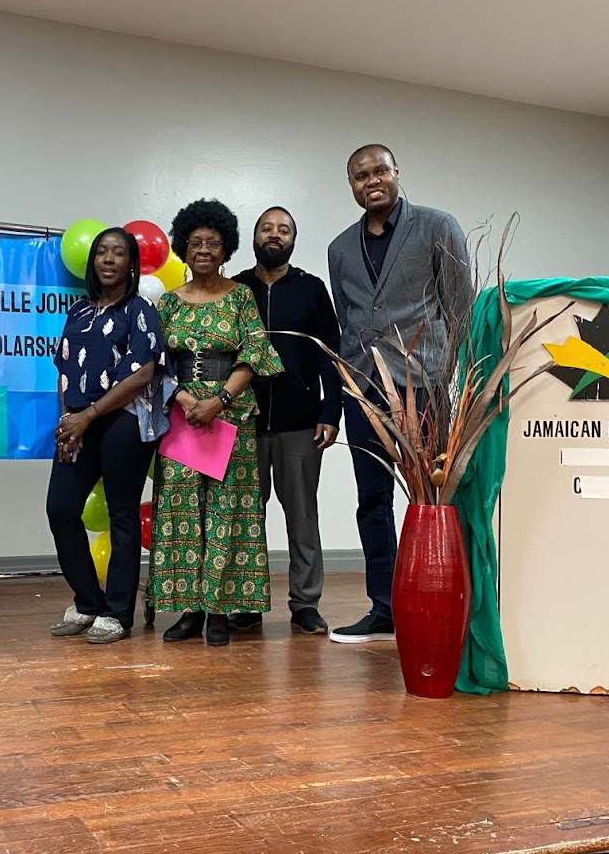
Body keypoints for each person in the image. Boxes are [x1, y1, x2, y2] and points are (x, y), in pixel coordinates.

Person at [326, 145, 474, 644]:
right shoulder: (339, 248)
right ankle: (384, 609)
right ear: (351, 184)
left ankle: (437, 599)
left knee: (432, 496)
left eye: (379, 171)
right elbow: (349, 316)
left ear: (396, 173)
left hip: (421, 385)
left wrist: (450, 377)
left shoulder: (437, 226)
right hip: (363, 386)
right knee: (371, 499)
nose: (371, 181)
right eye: (360, 175)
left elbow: (460, 307)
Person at [149, 199, 284, 647]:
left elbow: (254, 355)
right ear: (183, 249)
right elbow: (157, 362)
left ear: (226, 249)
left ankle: (220, 609)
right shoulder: (169, 303)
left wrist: (220, 400)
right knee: (183, 511)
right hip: (182, 417)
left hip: (231, 417)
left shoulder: (241, 296)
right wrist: (186, 398)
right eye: (195, 243)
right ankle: (190, 610)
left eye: (213, 243)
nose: (203, 250)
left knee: (229, 511)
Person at [47, 228, 169, 644]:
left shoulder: (139, 310)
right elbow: (65, 368)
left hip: (123, 422)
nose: (109, 259)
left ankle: (117, 614)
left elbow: (143, 373)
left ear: (131, 264)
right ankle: (87, 602)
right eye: (102, 252)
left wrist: (90, 416)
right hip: (78, 422)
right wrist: (69, 419)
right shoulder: (78, 311)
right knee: (60, 508)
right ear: (93, 261)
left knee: (121, 515)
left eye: (119, 253)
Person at [231, 207, 341, 636]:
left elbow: (330, 356)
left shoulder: (311, 289)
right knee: (244, 518)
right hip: (245, 423)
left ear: (293, 240)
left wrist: (330, 411)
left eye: (284, 230)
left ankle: (306, 604)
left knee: (302, 517)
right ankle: (246, 601)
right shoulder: (236, 289)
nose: (274, 235)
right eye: (267, 228)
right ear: (254, 236)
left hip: (300, 423)